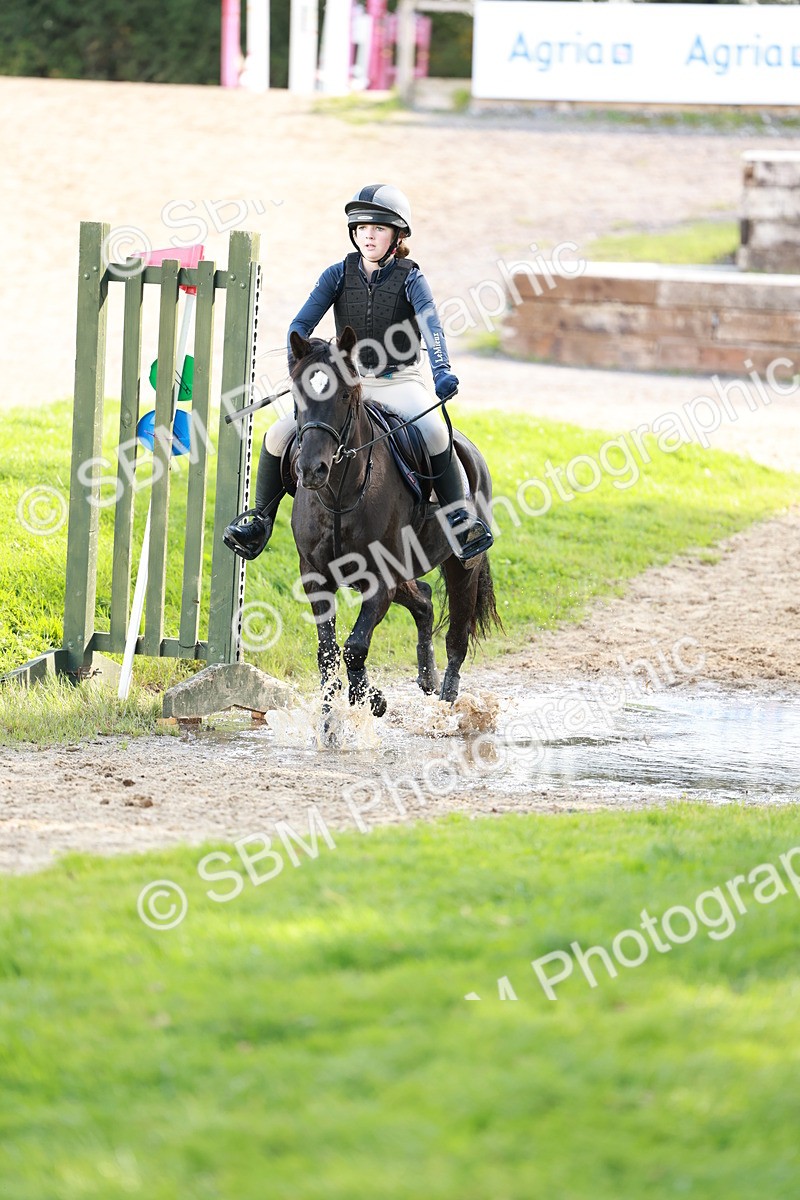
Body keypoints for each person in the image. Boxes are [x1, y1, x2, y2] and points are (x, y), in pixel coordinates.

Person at [223, 183, 494, 562]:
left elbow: (432, 326)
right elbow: (299, 327)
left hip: (398, 380)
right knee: (277, 435)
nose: (369, 235)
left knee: (435, 432)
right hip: (346, 383)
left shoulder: (411, 279)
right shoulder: (337, 275)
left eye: (379, 228)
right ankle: (260, 520)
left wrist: (442, 371)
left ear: (397, 236)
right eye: (362, 227)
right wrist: (301, 373)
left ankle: (459, 520)